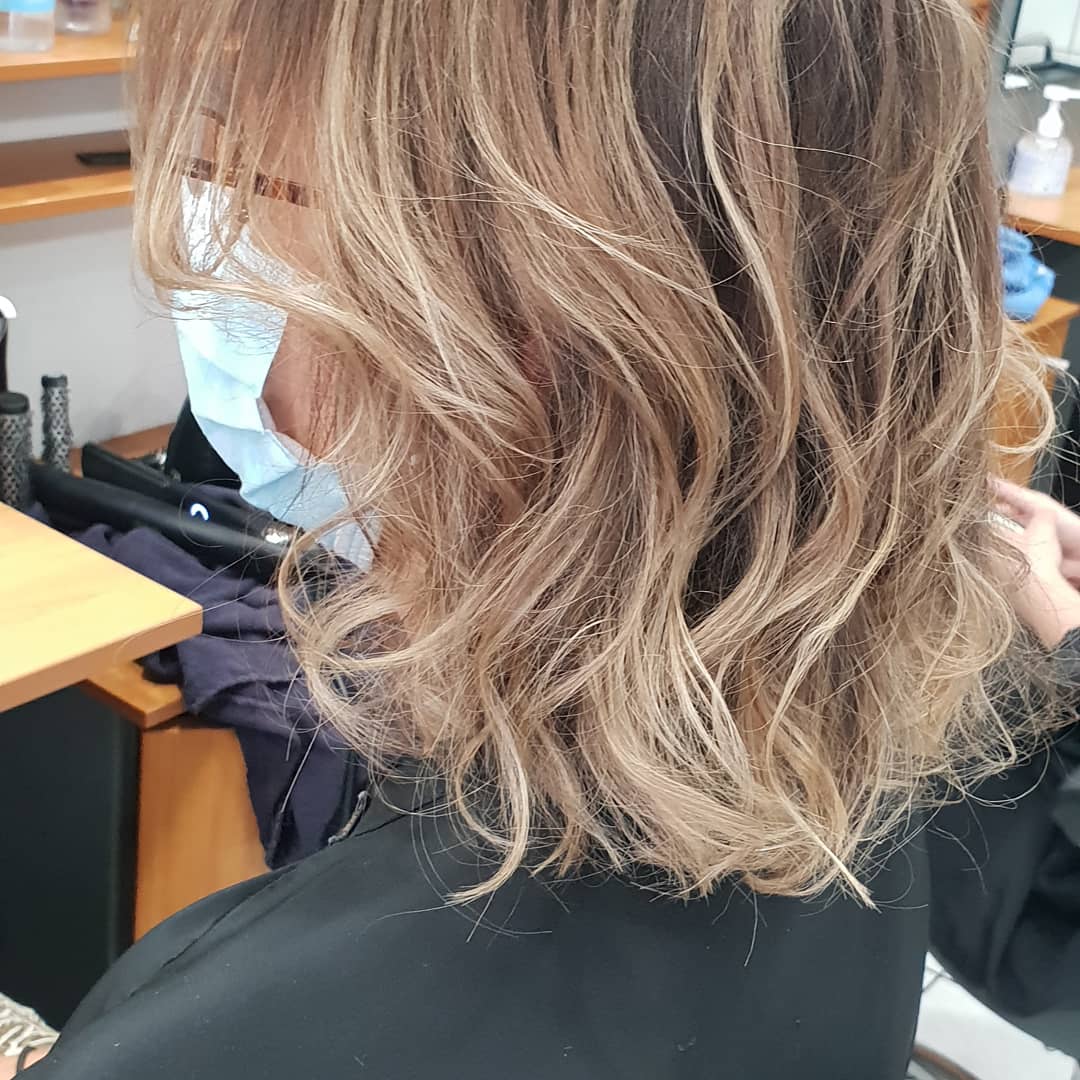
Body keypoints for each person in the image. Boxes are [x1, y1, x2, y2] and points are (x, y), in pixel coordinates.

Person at [22, 0, 1080, 1076]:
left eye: (254, 193)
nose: (228, 281)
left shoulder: (224, 1044)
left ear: (506, 346)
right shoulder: (868, 786)